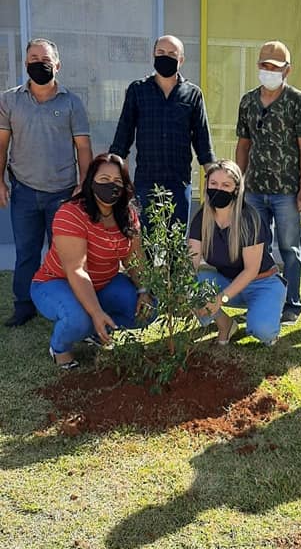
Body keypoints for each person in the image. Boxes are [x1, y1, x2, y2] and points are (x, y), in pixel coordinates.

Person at [0, 38, 92, 327]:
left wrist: (83, 185)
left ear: (58, 64)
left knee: (65, 254)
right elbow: (2, 145)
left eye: (46, 58)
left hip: (62, 194)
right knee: (26, 252)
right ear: (26, 63)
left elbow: (84, 148)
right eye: (34, 58)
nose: (40, 63)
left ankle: (63, 306)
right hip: (24, 191)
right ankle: (24, 305)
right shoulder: (9, 100)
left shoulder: (71, 102)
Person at [31, 153, 153, 369]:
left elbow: (134, 258)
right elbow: (76, 269)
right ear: (91, 181)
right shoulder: (71, 214)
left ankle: (96, 331)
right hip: (57, 282)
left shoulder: (127, 215)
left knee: (146, 311)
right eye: (104, 180)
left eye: (118, 181)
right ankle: (60, 347)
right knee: (80, 319)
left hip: (103, 283)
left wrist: (143, 290)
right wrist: (96, 313)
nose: (111, 186)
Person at [235, 40, 301, 325]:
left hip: (287, 193)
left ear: (287, 70)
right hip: (254, 190)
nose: (268, 71)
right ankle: (261, 300)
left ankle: (291, 303)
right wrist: (238, 184)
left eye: (275, 67)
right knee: (257, 249)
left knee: (290, 249)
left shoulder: (298, 102)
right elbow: (243, 145)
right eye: (264, 66)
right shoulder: (248, 102)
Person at [110, 34, 215, 228]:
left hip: (179, 182)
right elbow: (123, 137)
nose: (165, 56)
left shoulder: (193, 94)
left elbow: (202, 139)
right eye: (161, 52)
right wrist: (117, 177)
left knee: (175, 242)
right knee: (144, 242)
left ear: (181, 60)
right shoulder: (138, 90)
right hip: (145, 183)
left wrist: (213, 176)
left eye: (172, 53)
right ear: (153, 55)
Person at [188, 159, 286, 345]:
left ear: (236, 189)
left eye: (226, 185)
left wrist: (221, 298)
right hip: (228, 281)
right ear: (206, 184)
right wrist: (180, 291)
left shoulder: (249, 219)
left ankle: (266, 315)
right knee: (191, 287)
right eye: (214, 184)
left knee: (262, 331)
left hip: (262, 282)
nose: (218, 189)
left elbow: (250, 270)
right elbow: (191, 262)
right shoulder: (201, 218)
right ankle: (226, 324)